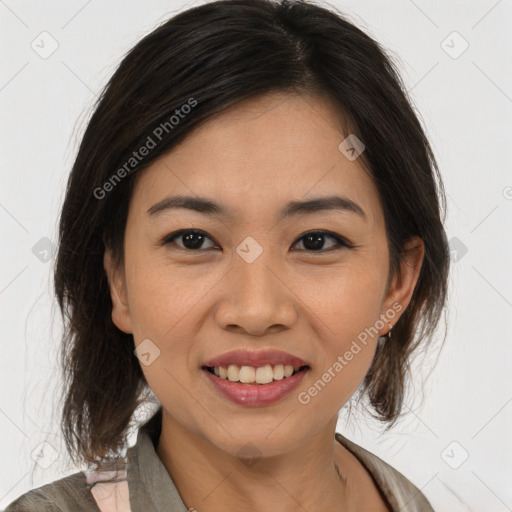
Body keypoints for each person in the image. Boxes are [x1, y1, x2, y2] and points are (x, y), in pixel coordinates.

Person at [4, 0, 449, 510]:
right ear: (118, 280)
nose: (255, 311)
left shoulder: (406, 501)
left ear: (398, 282)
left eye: (316, 241)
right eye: (193, 240)